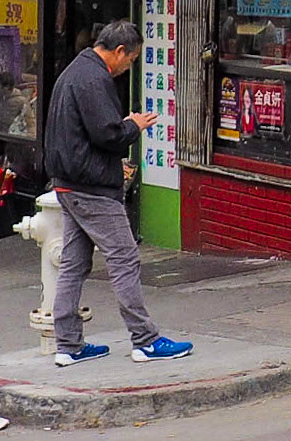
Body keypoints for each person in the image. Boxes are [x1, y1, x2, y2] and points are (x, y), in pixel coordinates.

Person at [46, 20, 193, 367]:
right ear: (119, 51)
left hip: (68, 182)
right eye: (130, 60)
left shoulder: (75, 71)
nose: (128, 67)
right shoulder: (94, 78)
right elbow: (107, 134)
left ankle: (67, 344)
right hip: (91, 187)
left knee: (74, 264)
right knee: (125, 258)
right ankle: (145, 340)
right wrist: (134, 125)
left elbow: (89, 131)